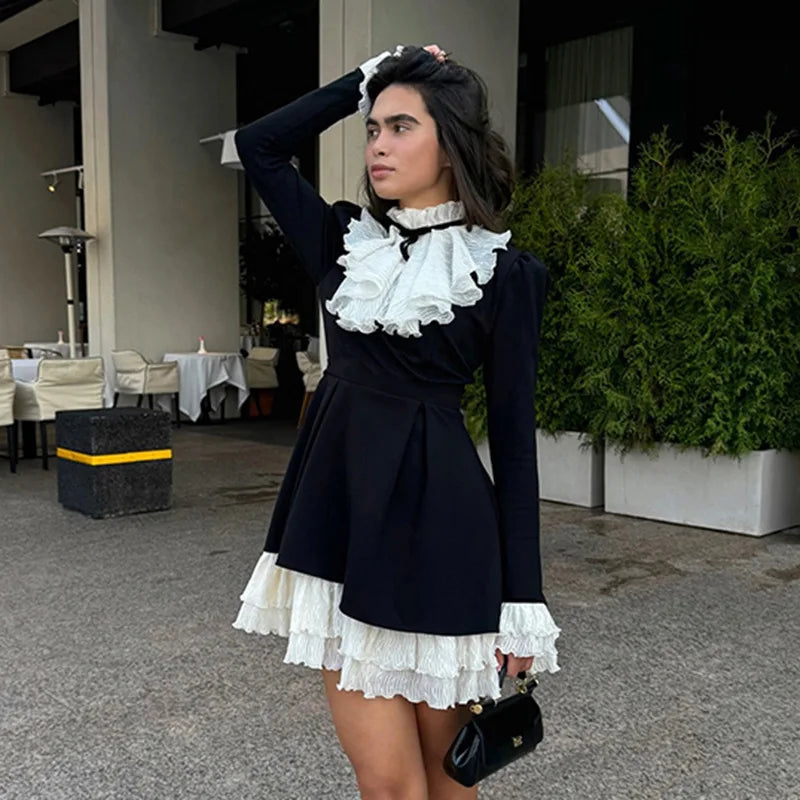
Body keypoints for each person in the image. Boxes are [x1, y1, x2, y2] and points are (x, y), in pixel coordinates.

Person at [232, 43, 561, 799]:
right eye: (373, 128)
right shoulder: (345, 244)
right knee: (390, 788)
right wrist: (365, 77)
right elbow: (261, 145)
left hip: (447, 537)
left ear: (451, 141)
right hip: (341, 526)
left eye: (400, 126)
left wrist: (524, 600)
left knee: (450, 786)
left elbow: (514, 447)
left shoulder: (507, 274)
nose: (377, 143)